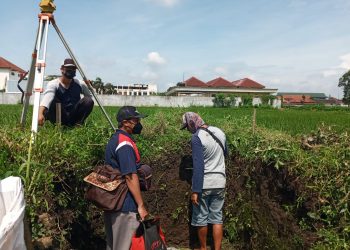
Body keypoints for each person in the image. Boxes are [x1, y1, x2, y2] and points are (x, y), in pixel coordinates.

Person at [181, 112, 227, 250]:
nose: (188, 130)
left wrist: (195, 190)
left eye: (187, 127)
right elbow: (226, 154)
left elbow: (198, 165)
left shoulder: (197, 138)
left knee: (201, 218)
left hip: (205, 184)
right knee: (217, 218)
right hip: (220, 182)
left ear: (191, 124)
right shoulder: (220, 132)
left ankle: (203, 248)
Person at [104, 106, 149, 250]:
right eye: (136, 120)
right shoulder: (124, 144)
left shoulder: (116, 139)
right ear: (126, 122)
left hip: (114, 202)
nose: (139, 123)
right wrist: (141, 205)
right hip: (125, 205)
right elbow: (130, 176)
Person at [38, 58, 94, 126]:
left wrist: (89, 87)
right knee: (52, 100)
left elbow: (90, 96)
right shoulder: (54, 83)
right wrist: (40, 113)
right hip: (60, 115)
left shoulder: (80, 83)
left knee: (88, 100)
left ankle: (77, 125)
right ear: (62, 69)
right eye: (68, 68)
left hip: (73, 115)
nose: (71, 70)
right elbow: (47, 98)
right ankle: (58, 126)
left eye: (73, 69)